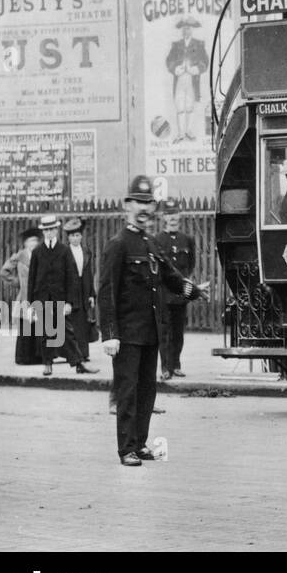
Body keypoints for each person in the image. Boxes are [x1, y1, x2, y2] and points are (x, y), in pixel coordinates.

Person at [99, 175, 201, 466]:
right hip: (127, 335)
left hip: (150, 332)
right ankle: (126, 448)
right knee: (128, 392)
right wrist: (109, 333)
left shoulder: (149, 243)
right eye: (138, 203)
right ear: (126, 206)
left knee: (146, 391)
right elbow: (106, 292)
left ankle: (140, 443)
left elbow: (170, 276)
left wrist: (192, 290)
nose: (144, 209)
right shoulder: (118, 244)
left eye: (148, 203)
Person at [28, 213, 83, 376]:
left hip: (60, 298)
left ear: (57, 231)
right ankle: (47, 364)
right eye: (46, 230)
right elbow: (32, 279)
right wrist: (31, 304)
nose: (49, 233)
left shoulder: (64, 251)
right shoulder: (37, 252)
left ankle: (78, 363)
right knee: (45, 332)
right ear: (43, 232)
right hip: (42, 298)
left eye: (52, 229)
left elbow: (71, 278)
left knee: (66, 331)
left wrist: (69, 302)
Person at [156, 199, 196, 381]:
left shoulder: (187, 240)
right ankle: (165, 367)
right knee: (164, 332)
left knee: (178, 331)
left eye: (175, 214)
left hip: (180, 293)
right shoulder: (157, 240)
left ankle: (176, 364)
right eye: (168, 214)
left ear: (179, 216)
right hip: (164, 294)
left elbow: (190, 265)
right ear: (163, 217)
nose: (172, 218)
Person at [165, 15, 209, 143]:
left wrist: (196, 69)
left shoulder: (199, 44)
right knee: (180, 107)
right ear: (182, 30)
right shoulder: (176, 45)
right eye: (184, 28)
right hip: (179, 79)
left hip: (192, 79)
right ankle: (180, 133)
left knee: (190, 106)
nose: (186, 31)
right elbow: (169, 60)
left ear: (192, 30)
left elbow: (205, 61)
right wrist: (175, 69)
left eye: (188, 28)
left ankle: (189, 131)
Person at [4, 227, 43, 366]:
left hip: (38, 296)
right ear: (25, 243)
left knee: (37, 327)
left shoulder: (41, 254)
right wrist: (18, 283)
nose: (33, 244)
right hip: (25, 297)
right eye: (30, 241)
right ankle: (22, 358)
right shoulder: (20, 255)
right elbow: (5, 271)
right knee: (25, 327)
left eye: (35, 241)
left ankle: (37, 357)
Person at [63, 218, 98, 372]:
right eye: (72, 236)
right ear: (68, 238)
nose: (75, 238)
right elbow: (62, 276)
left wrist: (92, 294)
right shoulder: (64, 253)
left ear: (81, 237)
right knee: (72, 326)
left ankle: (84, 353)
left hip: (84, 292)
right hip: (71, 294)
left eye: (78, 235)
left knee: (83, 324)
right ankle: (74, 355)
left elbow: (89, 274)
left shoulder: (86, 252)